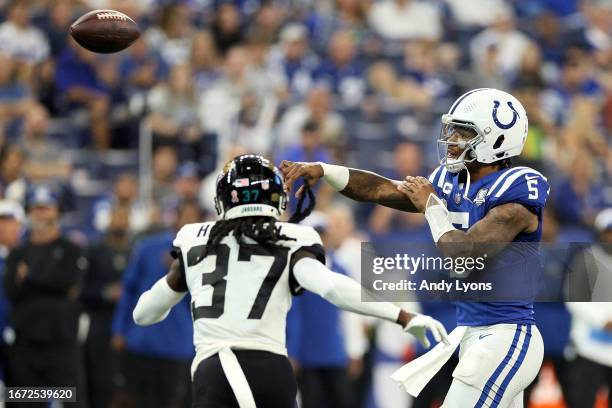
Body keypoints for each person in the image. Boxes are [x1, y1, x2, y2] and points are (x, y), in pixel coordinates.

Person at [281, 87, 549, 407]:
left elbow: (464, 256)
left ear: (497, 141)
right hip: (473, 335)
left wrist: (433, 207)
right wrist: (327, 171)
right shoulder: (453, 182)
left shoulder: (517, 193)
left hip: (506, 336)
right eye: (452, 129)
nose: (452, 139)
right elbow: (381, 190)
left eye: (464, 133)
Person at [132, 154, 448, 407]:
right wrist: (401, 315)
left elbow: (143, 313)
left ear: (223, 199)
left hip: (216, 369)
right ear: (276, 197)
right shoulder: (291, 238)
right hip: (272, 369)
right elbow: (331, 287)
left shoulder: (195, 240)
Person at [111, 200, 200, 408]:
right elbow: (128, 290)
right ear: (176, 217)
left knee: (174, 402)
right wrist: (119, 329)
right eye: (185, 216)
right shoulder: (148, 247)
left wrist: (182, 271)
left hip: (178, 345)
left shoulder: (204, 254)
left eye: (194, 218)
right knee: (134, 400)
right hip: (141, 341)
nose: (189, 222)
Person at [3, 186, 87, 403]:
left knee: (71, 399)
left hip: (62, 342)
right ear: (29, 213)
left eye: (46, 208)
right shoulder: (17, 253)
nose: (41, 214)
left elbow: (69, 284)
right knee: (25, 401)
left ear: (57, 211)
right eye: (36, 208)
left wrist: (29, 278)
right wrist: (52, 281)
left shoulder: (71, 249)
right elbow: (12, 291)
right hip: (25, 344)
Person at [0, 200, 25, 389]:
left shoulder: (30, 257)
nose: (5, 227)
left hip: (26, 340)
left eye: (11, 222)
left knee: (25, 393)